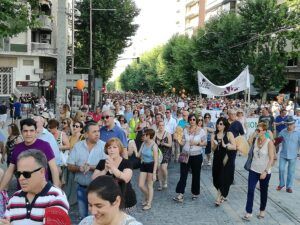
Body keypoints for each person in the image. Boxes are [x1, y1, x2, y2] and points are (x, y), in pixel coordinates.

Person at [0, 150, 69, 225]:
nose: (21, 178)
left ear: (42, 172)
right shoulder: (14, 198)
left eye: (26, 174)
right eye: (18, 174)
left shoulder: (56, 197)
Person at [0, 118, 60, 192]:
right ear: (21, 132)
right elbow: (10, 171)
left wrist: (57, 191)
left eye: (31, 131)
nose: (28, 134)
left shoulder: (45, 146)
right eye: (25, 131)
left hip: (42, 191)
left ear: (35, 132)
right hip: (23, 192)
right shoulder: (17, 148)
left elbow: (54, 168)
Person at [67, 122, 106, 219]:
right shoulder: (78, 146)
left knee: (97, 217)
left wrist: (91, 167)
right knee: (83, 216)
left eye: (98, 131)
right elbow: (70, 165)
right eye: (94, 132)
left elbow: (107, 167)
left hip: (99, 190)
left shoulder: (104, 146)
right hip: (81, 188)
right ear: (86, 134)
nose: (97, 134)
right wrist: (79, 168)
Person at [92, 138, 137, 213]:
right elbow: (94, 179)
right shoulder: (102, 162)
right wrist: (105, 170)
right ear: (106, 150)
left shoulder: (127, 163)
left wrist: (113, 167)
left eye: (115, 147)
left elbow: (126, 178)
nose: (111, 150)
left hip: (125, 200)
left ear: (120, 149)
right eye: (109, 147)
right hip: (107, 201)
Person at [243, 122, 275, 221]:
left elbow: (271, 158)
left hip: (264, 171)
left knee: (263, 192)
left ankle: (262, 210)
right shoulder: (255, 140)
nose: (257, 131)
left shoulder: (269, 142)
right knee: (250, 190)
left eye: (259, 130)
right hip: (253, 169)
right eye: (257, 129)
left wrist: (265, 171)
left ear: (264, 131)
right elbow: (248, 142)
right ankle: (249, 211)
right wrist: (254, 134)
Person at [173, 114, 206, 203]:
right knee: (183, 174)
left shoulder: (201, 131)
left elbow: (205, 143)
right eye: (190, 119)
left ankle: (195, 193)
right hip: (185, 154)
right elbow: (183, 142)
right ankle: (180, 193)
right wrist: (178, 140)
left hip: (197, 155)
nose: (192, 121)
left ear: (196, 121)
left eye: (194, 119)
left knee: (196, 174)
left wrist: (197, 144)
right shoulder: (185, 130)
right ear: (188, 120)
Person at [211, 118, 237, 206]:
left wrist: (225, 145)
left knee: (223, 178)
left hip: (226, 159)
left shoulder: (229, 134)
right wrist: (215, 144)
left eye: (221, 124)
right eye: (218, 123)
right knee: (216, 178)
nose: (219, 125)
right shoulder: (214, 134)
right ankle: (221, 195)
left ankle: (218, 197)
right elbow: (213, 149)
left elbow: (234, 147)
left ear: (225, 125)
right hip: (217, 159)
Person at [135, 128, 158, 210]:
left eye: (144, 135)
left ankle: (149, 203)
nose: (143, 136)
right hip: (144, 164)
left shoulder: (154, 146)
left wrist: (155, 173)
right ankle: (148, 196)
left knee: (149, 185)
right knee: (140, 185)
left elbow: (156, 161)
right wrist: (133, 147)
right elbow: (138, 154)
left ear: (149, 136)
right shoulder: (143, 143)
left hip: (151, 166)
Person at [276, 116, 300, 193]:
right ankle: (281, 184)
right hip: (283, 155)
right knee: (281, 169)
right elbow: (276, 141)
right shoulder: (283, 132)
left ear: (294, 124)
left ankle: (289, 187)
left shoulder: (298, 133)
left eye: (290, 124)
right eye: (287, 124)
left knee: (291, 172)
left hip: (293, 155)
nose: (289, 126)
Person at [155, 120, 172, 190]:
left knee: (164, 168)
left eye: (162, 125)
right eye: (160, 125)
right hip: (158, 153)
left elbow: (170, 145)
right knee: (159, 169)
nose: (161, 126)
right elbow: (153, 144)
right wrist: (157, 144)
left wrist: (164, 143)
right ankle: (160, 184)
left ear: (164, 126)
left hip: (166, 152)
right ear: (158, 126)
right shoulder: (155, 134)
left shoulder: (168, 134)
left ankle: (165, 181)